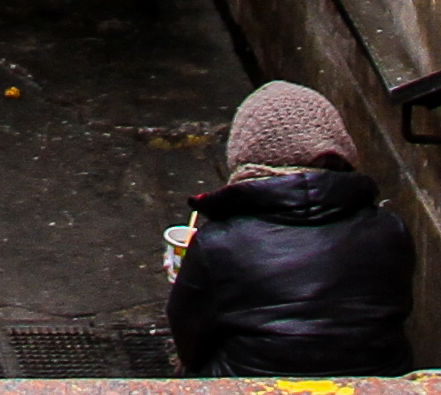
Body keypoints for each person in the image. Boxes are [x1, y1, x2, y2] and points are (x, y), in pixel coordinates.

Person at [164, 80, 415, 375]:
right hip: (379, 387)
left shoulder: (217, 244)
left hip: (254, 394)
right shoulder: (390, 230)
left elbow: (189, 342)